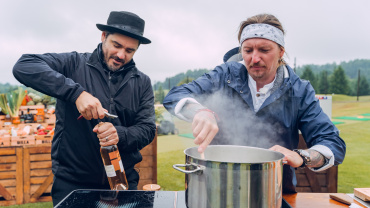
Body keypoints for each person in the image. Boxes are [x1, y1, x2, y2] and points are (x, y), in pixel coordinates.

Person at [163, 13, 346, 193]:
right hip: (218, 187)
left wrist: (302, 156)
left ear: (281, 51)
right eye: (248, 50)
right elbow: (175, 95)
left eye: (264, 50)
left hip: (275, 191)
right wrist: (199, 111)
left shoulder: (299, 90)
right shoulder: (224, 75)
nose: (254, 58)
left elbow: (333, 143)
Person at [13, 11, 156, 205]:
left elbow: (147, 129)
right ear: (104, 36)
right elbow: (24, 65)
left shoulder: (143, 82)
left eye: (130, 51)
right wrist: (76, 94)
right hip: (73, 182)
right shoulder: (73, 64)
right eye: (117, 45)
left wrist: (119, 134)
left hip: (121, 182)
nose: (121, 55)